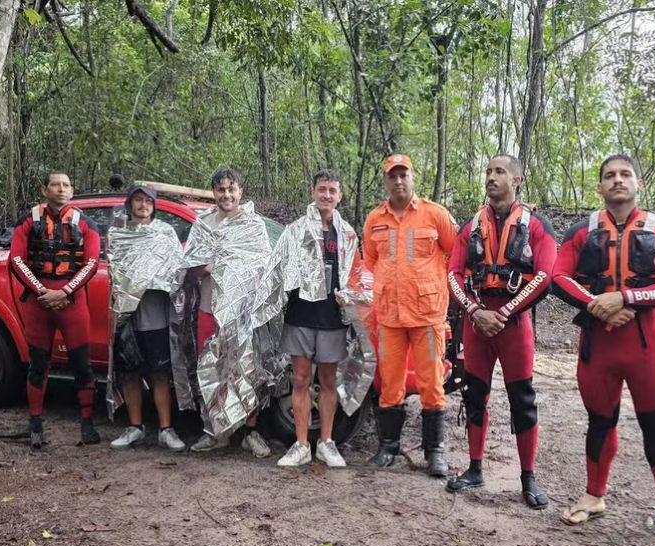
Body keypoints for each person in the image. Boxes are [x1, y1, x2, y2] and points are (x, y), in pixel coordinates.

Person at [552, 154, 655, 546]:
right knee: (600, 423)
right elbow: (558, 277)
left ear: (639, 183)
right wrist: (598, 304)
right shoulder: (580, 231)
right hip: (597, 346)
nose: (617, 181)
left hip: (646, 347)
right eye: (609, 176)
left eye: (625, 174)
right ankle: (594, 496)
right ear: (599, 187)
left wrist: (626, 296)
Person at [446, 154, 555, 509]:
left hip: (514, 324)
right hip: (477, 323)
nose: (491, 177)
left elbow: (545, 275)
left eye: (499, 172)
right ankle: (475, 468)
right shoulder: (470, 226)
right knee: (474, 395)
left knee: (522, 401)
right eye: (488, 171)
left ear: (517, 180)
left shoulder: (537, 226)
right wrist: (475, 311)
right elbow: (453, 273)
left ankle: (528, 477)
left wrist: (505, 311)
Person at [362, 154, 457, 477]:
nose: (398, 181)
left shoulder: (435, 215)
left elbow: (454, 256)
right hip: (389, 316)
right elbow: (370, 262)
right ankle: (388, 447)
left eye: (404, 175)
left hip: (427, 316)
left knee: (432, 384)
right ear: (385, 181)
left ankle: (435, 453)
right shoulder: (375, 219)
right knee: (390, 383)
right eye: (392, 176)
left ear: (412, 178)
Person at [275, 170, 362, 468]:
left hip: (331, 317)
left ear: (340, 196)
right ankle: (300, 445)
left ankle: (326, 442)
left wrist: (350, 297)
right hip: (300, 314)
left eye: (332, 190)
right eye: (322, 189)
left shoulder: (348, 234)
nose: (326, 195)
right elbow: (279, 268)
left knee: (327, 381)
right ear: (313, 192)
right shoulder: (295, 230)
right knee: (299, 379)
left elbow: (355, 275)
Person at [10, 172, 101, 449]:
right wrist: (42, 291)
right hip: (39, 303)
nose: (61, 189)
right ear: (45, 190)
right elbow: (16, 259)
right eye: (55, 185)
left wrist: (63, 291)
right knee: (38, 365)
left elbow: (92, 263)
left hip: (71, 301)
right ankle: (35, 423)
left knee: (82, 365)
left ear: (72, 191)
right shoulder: (28, 221)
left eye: (66, 185)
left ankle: (87, 424)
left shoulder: (86, 224)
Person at [187, 168, 273, 458]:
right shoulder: (202, 225)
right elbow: (191, 268)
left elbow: (263, 266)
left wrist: (221, 264)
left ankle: (250, 432)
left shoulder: (253, 225)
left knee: (245, 369)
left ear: (240, 191)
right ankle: (215, 433)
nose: (226, 194)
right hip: (209, 308)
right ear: (214, 192)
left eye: (231, 189)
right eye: (220, 189)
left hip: (242, 310)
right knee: (210, 368)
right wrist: (207, 267)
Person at [109, 185, 186, 452]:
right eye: (138, 200)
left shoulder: (165, 233)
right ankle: (134, 427)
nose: (143, 205)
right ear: (129, 203)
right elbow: (115, 270)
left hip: (156, 314)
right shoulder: (118, 235)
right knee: (128, 372)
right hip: (126, 315)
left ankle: (166, 429)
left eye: (148, 201)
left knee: (160, 373)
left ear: (154, 205)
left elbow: (177, 270)